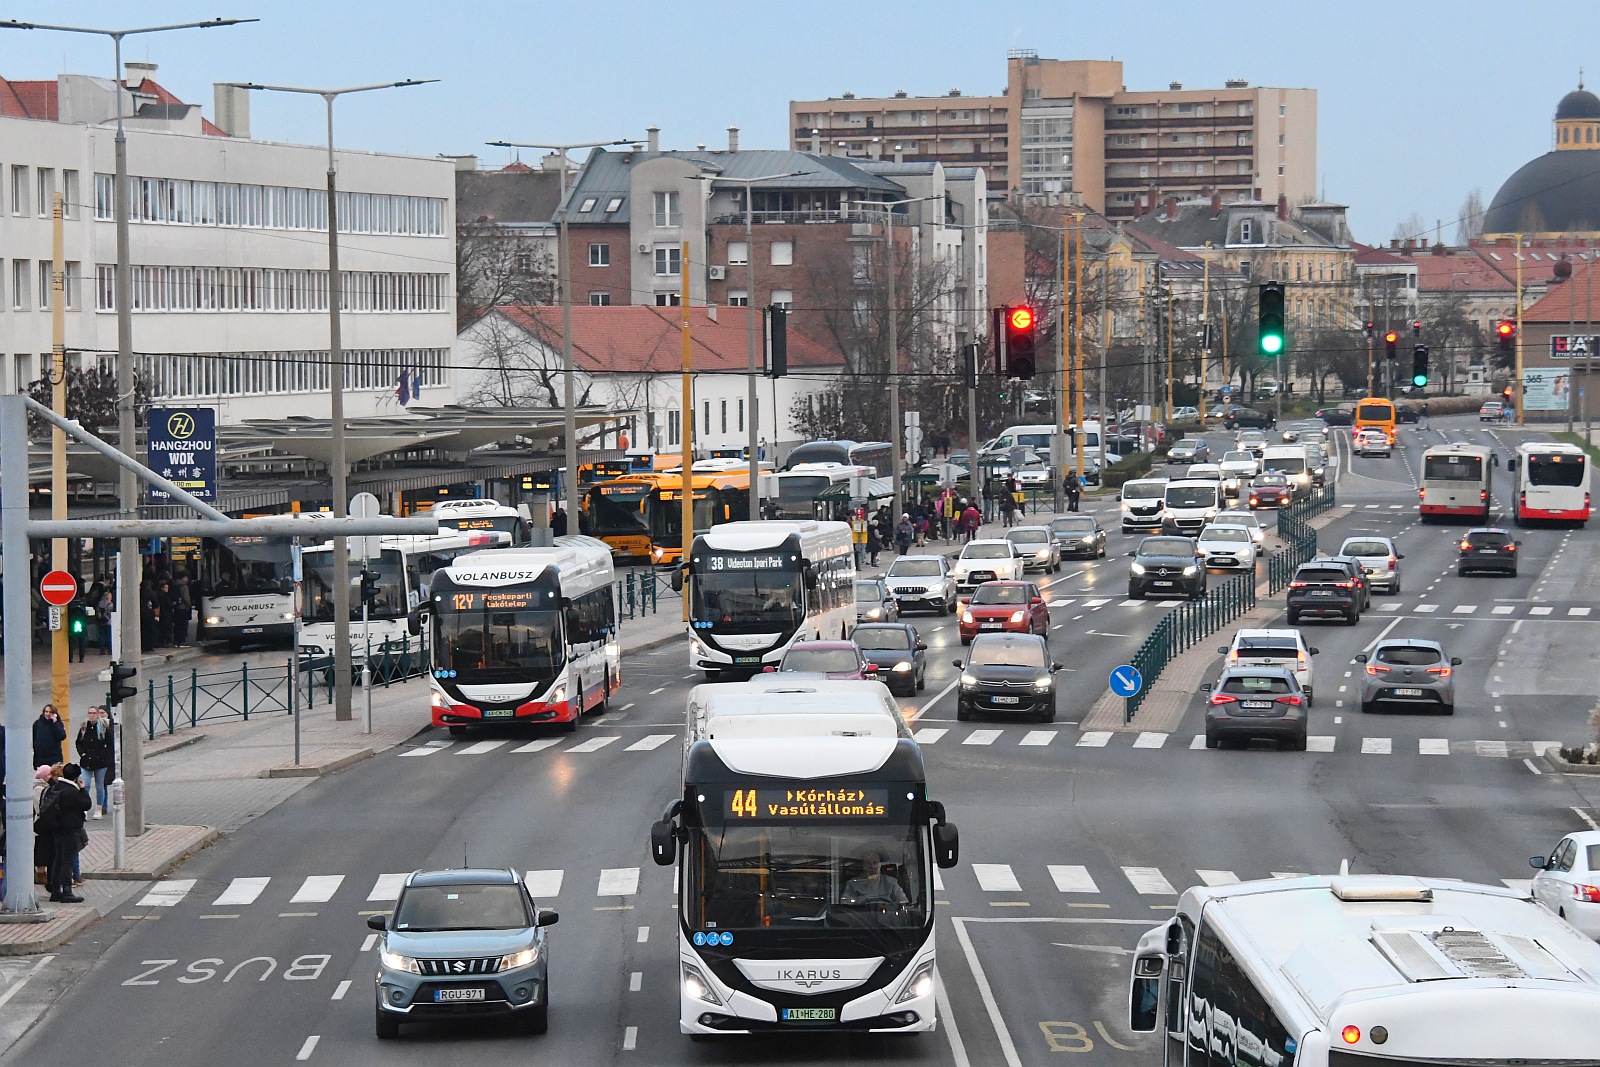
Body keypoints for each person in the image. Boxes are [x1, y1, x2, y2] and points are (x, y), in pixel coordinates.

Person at [39, 764, 90, 903]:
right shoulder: (72, 791)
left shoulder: (54, 788)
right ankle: (67, 890)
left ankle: (55, 891)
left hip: (55, 829)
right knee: (67, 860)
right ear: (76, 777)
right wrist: (83, 789)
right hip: (69, 829)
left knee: (57, 860)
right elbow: (87, 804)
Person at [76, 706, 115, 819]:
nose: (91, 715)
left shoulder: (103, 727)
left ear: (97, 714)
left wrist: (104, 755)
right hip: (86, 761)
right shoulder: (84, 727)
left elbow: (110, 743)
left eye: (94, 713)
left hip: (100, 762)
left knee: (100, 786)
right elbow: (78, 742)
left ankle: (99, 809)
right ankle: (84, 809)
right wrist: (82, 753)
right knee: (85, 784)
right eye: (90, 713)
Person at [841, 851, 909, 905]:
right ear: (863, 866)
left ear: (880, 865)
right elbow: (845, 906)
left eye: (875, 863)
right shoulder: (853, 884)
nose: (872, 866)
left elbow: (903, 902)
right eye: (868, 863)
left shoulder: (891, 882)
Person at [32, 704, 66, 769]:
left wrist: (55, 723)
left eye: (50, 712)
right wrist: (36, 747)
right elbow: (33, 737)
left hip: (54, 758)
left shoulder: (57, 724)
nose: (48, 714)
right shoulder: (38, 723)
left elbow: (62, 736)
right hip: (40, 758)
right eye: (46, 711)